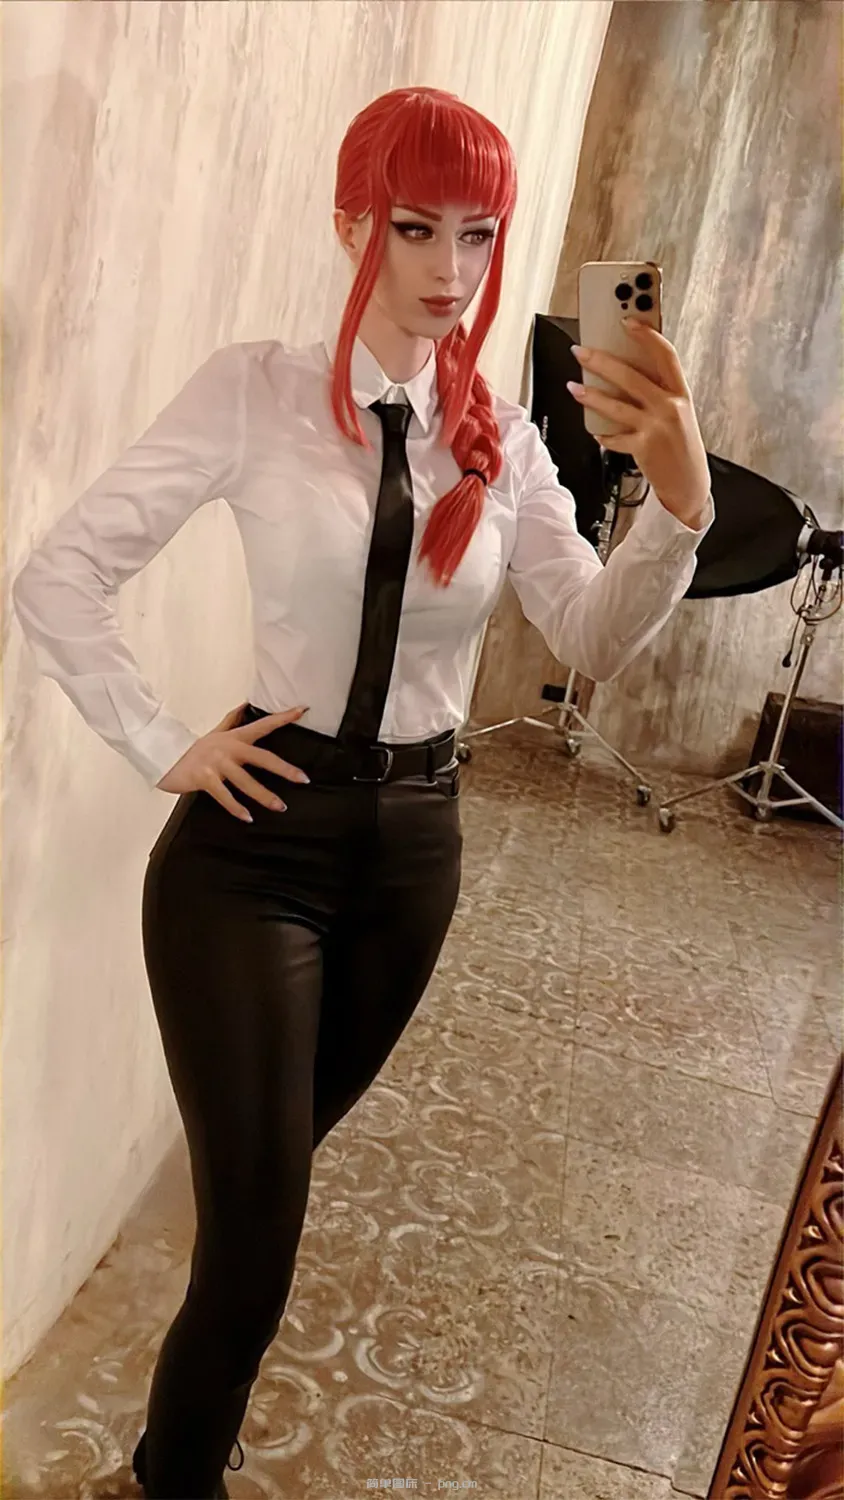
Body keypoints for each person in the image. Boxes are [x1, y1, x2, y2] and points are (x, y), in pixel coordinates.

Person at [12, 86, 713, 1499]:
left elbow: (586, 638)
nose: (450, 268)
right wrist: (162, 742)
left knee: (260, 1206)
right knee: (258, 1235)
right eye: (414, 228)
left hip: (411, 861)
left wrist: (679, 509)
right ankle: (177, 1477)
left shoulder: (506, 440)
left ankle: (177, 1440)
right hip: (252, 851)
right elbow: (59, 575)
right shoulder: (255, 394)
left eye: (478, 234)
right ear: (352, 227)